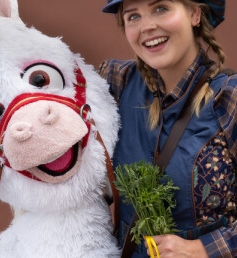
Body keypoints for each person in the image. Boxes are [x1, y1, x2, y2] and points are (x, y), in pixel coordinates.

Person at [98, 0, 237, 257]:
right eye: (132, 17)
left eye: (160, 8)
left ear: (195, 13)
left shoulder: (229, 98)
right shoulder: (116, 83)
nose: (147, 26)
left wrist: (202, 249)